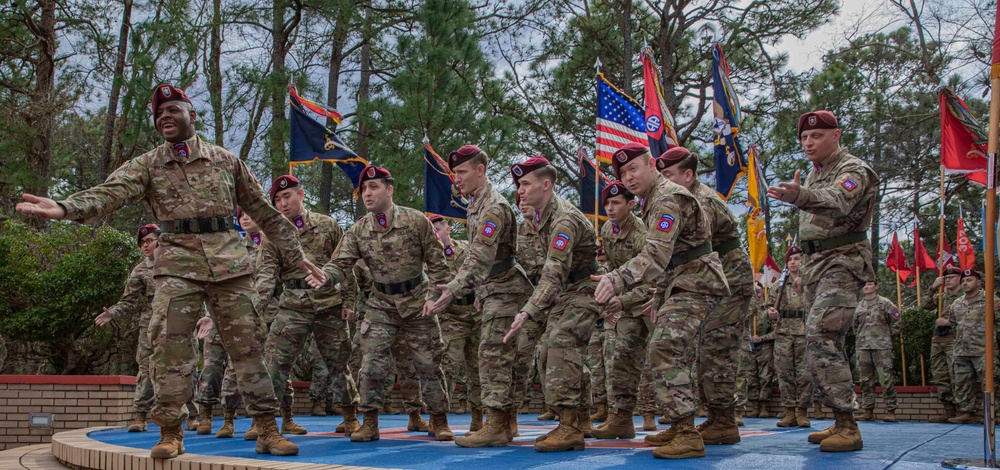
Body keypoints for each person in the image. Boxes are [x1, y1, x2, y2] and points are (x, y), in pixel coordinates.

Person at [18, 84, 318, 459]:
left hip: (230, 264)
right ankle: (171, 432)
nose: (165, 117)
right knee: (170, 349)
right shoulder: (148, 164)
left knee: (249, 348)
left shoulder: (226, 161)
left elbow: (264, 211)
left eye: (173, 110)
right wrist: (64, 207)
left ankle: (267, 429)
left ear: (191, 115)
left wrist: (296, 255)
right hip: (177, 264)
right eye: (159, 113)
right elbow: (109, 192)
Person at [593, 143, 729, 460]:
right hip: (678, 282)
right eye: (622, 173)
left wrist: (617, 278)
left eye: (633, 169)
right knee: (663, 346)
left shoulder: (668, 197)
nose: (628, 177)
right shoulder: (653, 200)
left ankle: (686, 432)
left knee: (665, 346)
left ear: (651, 164)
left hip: (696, 281)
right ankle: (680, 425)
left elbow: (656, 254)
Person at [306, 165, 454, 442]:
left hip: (417, 302)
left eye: (374, 188)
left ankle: (439, 420)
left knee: (429, 364)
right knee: (371, 364)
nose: (368, 193)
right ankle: (370, 422)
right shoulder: (358, 230)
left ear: (389, 189)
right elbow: (341, 264)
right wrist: (326, 276)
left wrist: (435, 296)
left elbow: (437, 264)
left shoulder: (416, 221)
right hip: (381, 304)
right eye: (364, 189)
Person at [767, 110, 878, 452]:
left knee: (820, 335)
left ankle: (848, 424)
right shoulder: (816, 174)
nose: (808, 143)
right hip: (818, 265)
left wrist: (799, 195)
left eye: (816, 136)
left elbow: (839, 202)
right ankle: (839, 418)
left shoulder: (852, 169)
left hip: (843, 261)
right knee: (828, 340)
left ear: (837, 135)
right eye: (803, 138)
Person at [430, 145, 534, 447]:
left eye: (462, 172)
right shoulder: (476, 203)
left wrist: (454, 288)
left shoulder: (492, 207)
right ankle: (504, 423)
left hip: (505, 288)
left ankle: (497, 426)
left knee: (493, 358)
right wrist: (478, 291)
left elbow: (480, 258)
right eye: (455, 173)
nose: (457, 179)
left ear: (480, 170)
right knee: (497, 356)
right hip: (492, 289)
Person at [656, 147, 754, 445]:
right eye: (661, 176)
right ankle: (712, 418)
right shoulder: (679, 200)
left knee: (717, 349)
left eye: (669, 176)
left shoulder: (702, 201)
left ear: (688, 175)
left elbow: (683, 245)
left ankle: (724, 420)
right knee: (702, 349)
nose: (664, 182)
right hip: (707, 281)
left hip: (729, 281)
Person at [504, 156, 602, 453]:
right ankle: (580, 417)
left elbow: (553, 274)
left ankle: (569, 427)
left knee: (560, 343)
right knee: (548, 353)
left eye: (525, 184)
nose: (519, 191)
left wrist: (528, 311)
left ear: (546, 185)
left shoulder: (563, 219)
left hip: (585, 287)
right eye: (518, 185)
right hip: (565, 292)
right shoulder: (541, 216)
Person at [256, 175, 360, 436]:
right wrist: (253, 307)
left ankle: (350, 417)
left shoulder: (328, 225)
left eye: (287, 196)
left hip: (329, 304)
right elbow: (266, 278)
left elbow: (345, 266)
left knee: (338, 364)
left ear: (301, 195)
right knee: (275, 363)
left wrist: (348, 301)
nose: (282, 204)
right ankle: (271, 421)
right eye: (277, 200)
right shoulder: (273, 235)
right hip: (292, 306)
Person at [590, 181, 657, 439]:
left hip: (649, 304)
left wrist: (623, 301)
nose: (609, 207)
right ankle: (621, 420)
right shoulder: (607, 229)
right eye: (607, 202)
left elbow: (651, 279)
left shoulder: (642, 234)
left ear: (631, 205)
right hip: (626, 305)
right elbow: (615, 269)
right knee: (620, 363)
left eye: (616, 202)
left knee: (658, 363)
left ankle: (673, 422)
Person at [429, 213, 483, 430]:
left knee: (478, 368)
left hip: (476, 314)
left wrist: (482, 292)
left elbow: (483, 272)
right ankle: (438, 418)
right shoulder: (430, 258)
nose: (436, 235)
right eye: (431, 232)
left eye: (438, 230)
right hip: (451, 316)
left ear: (447, 230)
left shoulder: (467, 250)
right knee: (448, 365)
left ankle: (478, 418)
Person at [762, 246, 813, 428]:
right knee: (784, 373)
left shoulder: (809, 284)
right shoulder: (778, 286)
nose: (794, 262)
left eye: (797, 258)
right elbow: (766, 309)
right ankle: (789, 412)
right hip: (783, 333)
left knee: (805, 374)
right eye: (790, 259)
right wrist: (771, 313)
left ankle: (802, 412)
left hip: (803, 332)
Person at [946, 269, 1000, 424]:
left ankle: (991, 413)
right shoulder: (957, 303)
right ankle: (966, 412)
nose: (965, 283)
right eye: (963, 281)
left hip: (984, 350)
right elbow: (954, 323)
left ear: (979, 282)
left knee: (990, 383)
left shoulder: (991, 300)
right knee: (962, 382)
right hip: (962, 350)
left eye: (969, 280)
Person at [515, 196, 551, 421]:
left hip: (557, 301)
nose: (523, 204)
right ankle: (512, 412)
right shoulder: (515, 234)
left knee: (556, 355)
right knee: (520, 357)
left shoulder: (553, 227)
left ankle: (574, 411)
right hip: (529, 306)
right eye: (519, 202)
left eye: (526, 200)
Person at [853, 280, 901, 422]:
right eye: (864, 285)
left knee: (885, 379)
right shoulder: (859, 306)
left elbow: (897, 321)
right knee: (865, 380)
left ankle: (891, 410)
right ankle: (868, 410)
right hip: (863, 347)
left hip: (882, 347)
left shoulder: (885, 303)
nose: (866, 287)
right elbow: (855, 326)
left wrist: (885, 336)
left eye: (869, 284)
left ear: (876, 286)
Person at [922, 265, 963, 422]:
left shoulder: (964, 296)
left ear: (960, 278)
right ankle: (949, 410)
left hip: (955, 340)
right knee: (940, 375)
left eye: (952, 277)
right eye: (946, 278)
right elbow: (925, 305)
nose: (948, 280)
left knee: (957, 376)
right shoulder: (942, 296)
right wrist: (933, 287)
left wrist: (949, 322)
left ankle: (962, 411)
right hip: (938, 340)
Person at [747, 281, 775, 419]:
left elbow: (778, 331)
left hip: (764, 348)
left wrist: (762, 338)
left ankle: (764, 406)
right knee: (751, 377)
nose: (757, 295)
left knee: (765, 377)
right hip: (750, 347)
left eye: (759, 292)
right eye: (755, 293)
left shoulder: (769, 312)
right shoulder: (749, 312)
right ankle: (754, 406)